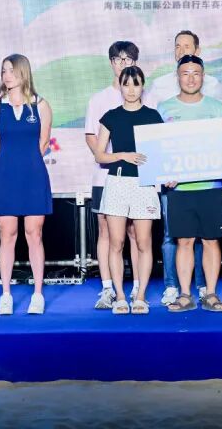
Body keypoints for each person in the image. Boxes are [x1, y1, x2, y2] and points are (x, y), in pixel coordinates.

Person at [159, 55, 222, 313]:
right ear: (177, 77)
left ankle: (210, 293)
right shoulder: (164, 108)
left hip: (211, 188)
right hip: (179, 190)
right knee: (184, 241)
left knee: (211, 241)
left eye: (196, 73)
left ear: (203, 76)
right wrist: (163, 173)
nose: (191, 79)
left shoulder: (217, 108)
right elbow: (158, 149)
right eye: (185, 73)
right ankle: (185, 294)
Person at [93, 66, 164, 314]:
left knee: (144, 242)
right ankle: (121, 297)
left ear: (143, 86)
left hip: (144, 185)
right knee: (116, 242)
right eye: (126, 84)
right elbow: (100, 154)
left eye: (136, 84)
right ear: (120, 86)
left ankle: (141, 296)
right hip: (117, 182)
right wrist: (123, 155)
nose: (131, 89)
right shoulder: (111, 116)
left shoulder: (153, 116)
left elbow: (161, 152)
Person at [0, 54, 53, 315]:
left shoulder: (40, 105)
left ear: (24, 72)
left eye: (12, 70)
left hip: (33, 175)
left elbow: (44, 142)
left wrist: (27, 164)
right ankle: (6, 294)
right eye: (4, 71)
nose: (7, 76)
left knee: (34, 234)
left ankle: (37, 294)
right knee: (7, 234)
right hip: (5, 175)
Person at [84, 41, 143, 310]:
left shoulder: (145, 99)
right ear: (111, 63)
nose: (123, 64)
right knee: (106, 230)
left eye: (128, 59)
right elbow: (91, 137)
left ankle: (137, 288)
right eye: (118, 60)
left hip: (138, 177)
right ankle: (108, 288)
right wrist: (110, 159)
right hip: (105, 176)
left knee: (135, 232)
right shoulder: (99, 99)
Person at [152, 32, 209, 305]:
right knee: (171, 235)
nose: (190, 78)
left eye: (188, 46)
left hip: (206, 181)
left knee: (203, 236)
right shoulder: (161, 98)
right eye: (178, 46)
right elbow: (157, 143)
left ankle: (201, 285)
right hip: (173, 183)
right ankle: (172, 285)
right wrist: (163, 172)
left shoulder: (214, 96)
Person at [144, 30, 222, 107]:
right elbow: (148, 114)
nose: (181, 51)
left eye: (186, 46)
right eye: (178, 47)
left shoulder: (212, 84)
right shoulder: (159, 84)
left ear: (197, 51)